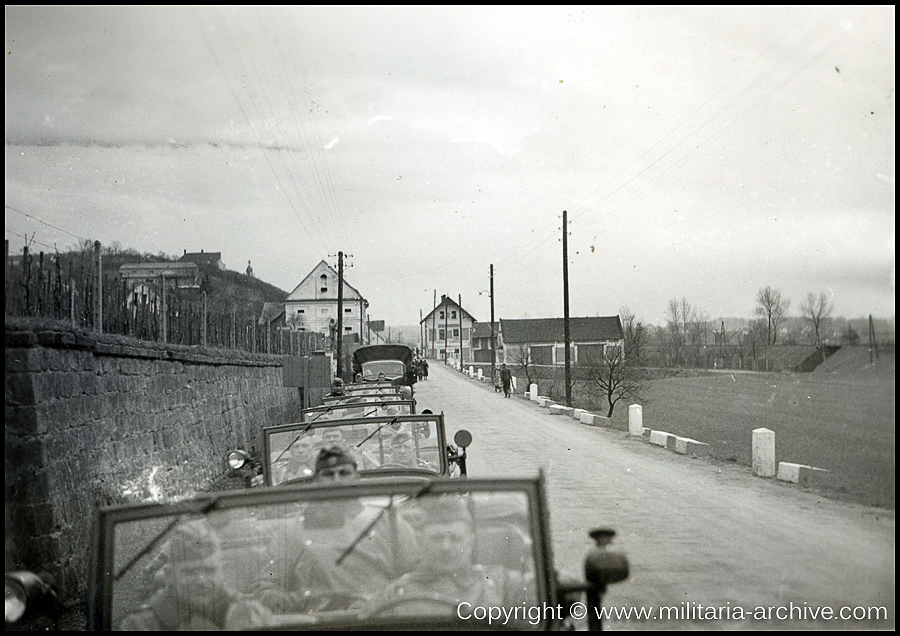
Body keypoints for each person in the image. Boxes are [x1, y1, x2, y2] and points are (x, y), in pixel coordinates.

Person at [371, 496, 532, 615]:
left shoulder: (501, 585)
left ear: (470, 543)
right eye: (437, 538)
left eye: (455, 538)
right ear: (422, 542)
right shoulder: (396, 593)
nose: (446, 547)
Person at [119, 523, 271, 630]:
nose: (201, 581)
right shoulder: (141, 625)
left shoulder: (249, 612)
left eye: (209, 570)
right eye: (189, 572)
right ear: (170, 575)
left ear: (221, 571)